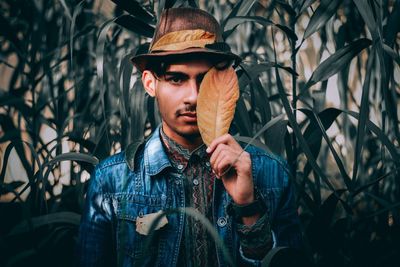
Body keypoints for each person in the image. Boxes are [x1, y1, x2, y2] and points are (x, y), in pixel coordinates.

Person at [77, 7, 302, 267]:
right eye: (176, 79)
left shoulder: (270, 174)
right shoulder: (111, 182)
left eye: (205, 80)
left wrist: (248, 206)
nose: (193, 96)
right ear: (150, 83)